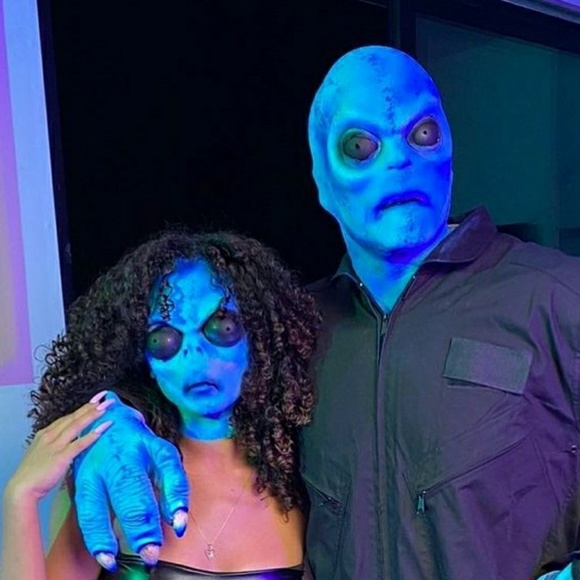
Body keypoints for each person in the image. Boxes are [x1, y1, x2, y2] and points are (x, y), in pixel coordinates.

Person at [24, 46, 580, 580]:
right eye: (361, 146)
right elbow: (187, 385)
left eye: (423, 133)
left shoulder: (556, 296)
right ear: (321, 180)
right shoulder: (299, 329)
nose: (400, 160)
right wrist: (110, 429)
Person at [0, 229, 320, 579]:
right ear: (145, 361)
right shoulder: (117, 470)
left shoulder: (307, 479)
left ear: (258, 337)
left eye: (222, 327)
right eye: (164, 339)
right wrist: (20, 498)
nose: (194, 357)